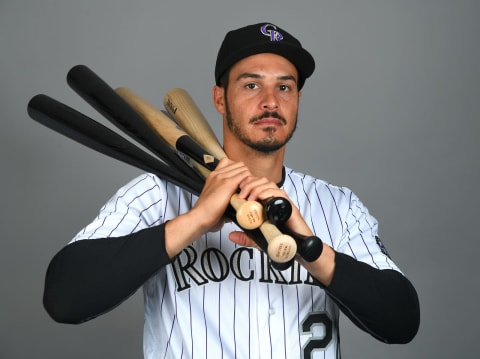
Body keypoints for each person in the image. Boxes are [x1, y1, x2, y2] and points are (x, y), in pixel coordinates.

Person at [43, 22, 420, 358]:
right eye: (252, 84)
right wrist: (195, 220)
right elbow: (65, 297)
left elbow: (401, 321)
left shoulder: (338, 205)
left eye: (284, 86)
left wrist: (311, 247)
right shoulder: (159, 192)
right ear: (220, 99)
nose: (270, 101)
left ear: (298, 99)